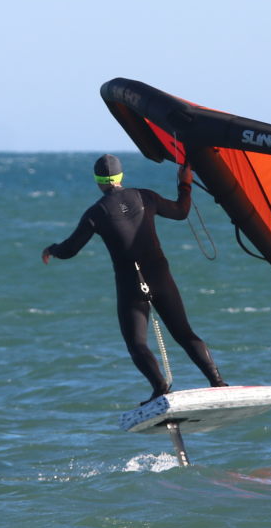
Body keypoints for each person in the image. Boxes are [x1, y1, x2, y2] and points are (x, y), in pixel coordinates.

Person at [42, 154, 229, 401]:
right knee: (184, 333)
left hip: (131, 285)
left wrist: (52, 249)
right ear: (121, 175)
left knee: (137, 344)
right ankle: (218, 382)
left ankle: (160, 389)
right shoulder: (144, 196)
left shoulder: (96, 213)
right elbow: (181, 211)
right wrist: (185, 183)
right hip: (160, 277)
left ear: (97, 180)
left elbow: (70, 250)